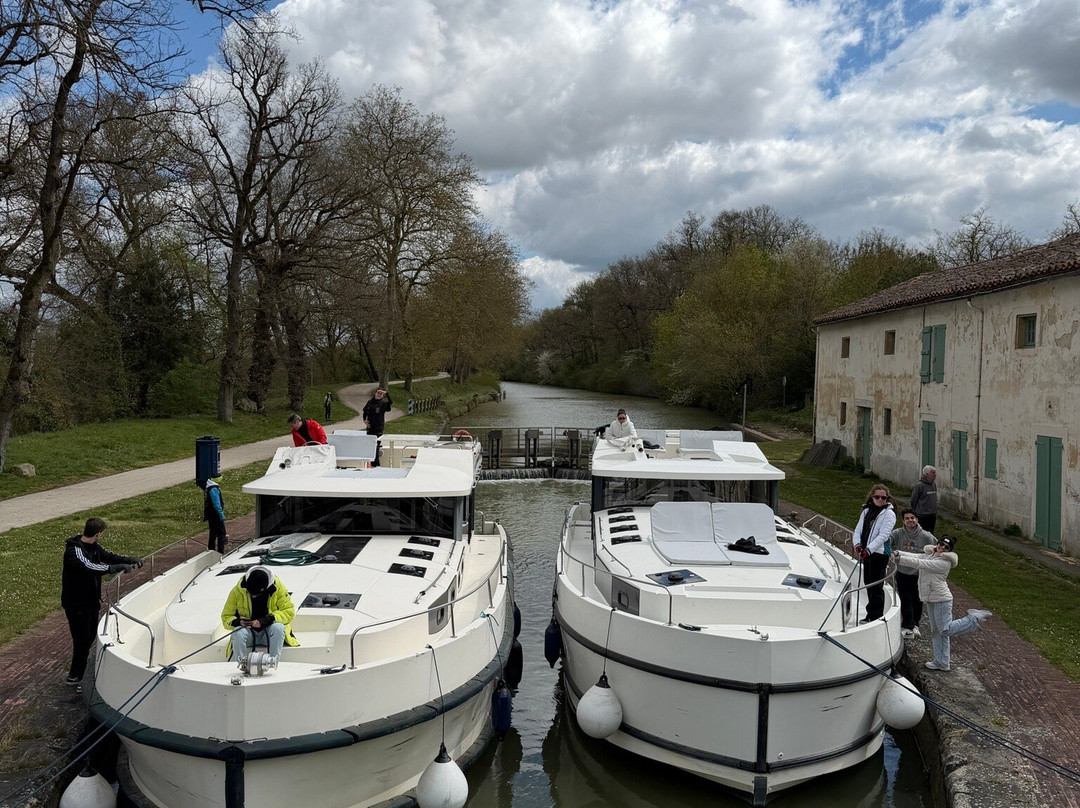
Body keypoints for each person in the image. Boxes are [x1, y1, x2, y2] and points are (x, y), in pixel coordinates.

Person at [61, 517, 142, 690]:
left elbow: (107, 557)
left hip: (90, 601)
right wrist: (113, 568)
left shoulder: (93, 547)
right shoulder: (74, 551)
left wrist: (127, 560)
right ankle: (76, 677)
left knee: (90, 636)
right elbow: (89, 567)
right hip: (76, 604)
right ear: (98, 534)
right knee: (81, 640)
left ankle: (78, 674)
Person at [894, 535, 992, 671]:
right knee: (937, 632)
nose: (942, 548)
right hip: (930, 598)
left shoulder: (944, 563)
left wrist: (900, 560)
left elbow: (920, 564)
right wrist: (899, 553)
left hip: (941, 599)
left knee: (945, 629)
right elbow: (917, 557)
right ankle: (941, 662)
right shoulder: (930, 555)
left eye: (946, 547)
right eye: (940, 544)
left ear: (949, 551)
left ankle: (973, 619)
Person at [220, 566, 299, 669]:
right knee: (237, 631)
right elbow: (226, 617)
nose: (253, 596)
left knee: (278, 628)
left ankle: (273, 662)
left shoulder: (278, 589)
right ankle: (242, 665)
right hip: (249, 634)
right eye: (250, 593)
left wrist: (266, 620)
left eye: (256, 594)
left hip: (269, 633)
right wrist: (238, 622)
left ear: (264, 589)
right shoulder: (237, 591)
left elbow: (289, 612)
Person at [852, 483, 897, 623]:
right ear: (872, 497)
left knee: (876, 585)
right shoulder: (866, 511)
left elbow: (883, 535)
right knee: (868, 582)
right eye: (877, 497)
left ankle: (876, 615)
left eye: (884, 498)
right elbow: (858, 529)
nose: (880, 500)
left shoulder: (889, 514)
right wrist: (858, 544)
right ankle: (870, 613)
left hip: (879, 553)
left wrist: (869, 550)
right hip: (866, 552)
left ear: (887, 499)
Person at [890, 508, 935, 639]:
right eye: (907, 518)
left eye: (912, 518)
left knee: (918, 599)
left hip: (919, 574)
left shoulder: (926, 536)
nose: (910, 520)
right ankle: (907, 625)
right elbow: (887, 541)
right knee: (905, 599)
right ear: (903, 521)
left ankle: (915, 624)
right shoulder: (897, 533)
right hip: (903, 572)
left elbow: (936, 548)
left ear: (917, 520)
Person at [362, 387, 393, 467]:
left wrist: (387, 394)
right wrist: (364, 420)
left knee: (376, 446)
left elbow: (391, 402)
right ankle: (370, 464)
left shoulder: (383, 404)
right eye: (378, 393)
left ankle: (376, 464)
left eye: (381, 394)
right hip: (370, 428)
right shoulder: (369, 402)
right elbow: (365, 412)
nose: (379, 395)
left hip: (378, 428)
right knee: (370, 445)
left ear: (383, 395)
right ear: (375, 393)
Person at [202, 475, 227, 553]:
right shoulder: (214, 489)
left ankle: (211, 550)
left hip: (210, 514)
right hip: (215, 515)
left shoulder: (208, 488)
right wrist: (221, 515)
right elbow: (216, 504)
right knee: (221, 533)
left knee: (213, 533)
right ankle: (220, 552)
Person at [910, 465, 938, 534]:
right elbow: (913, 500)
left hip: (932, 514)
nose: (935, 475)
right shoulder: (919, 486)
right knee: (921, 533)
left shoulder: (933, 485)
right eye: (933, 473)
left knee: (930, 533)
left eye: (935, 473)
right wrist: (915, 511)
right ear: (927, 474)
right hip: (922, 515)